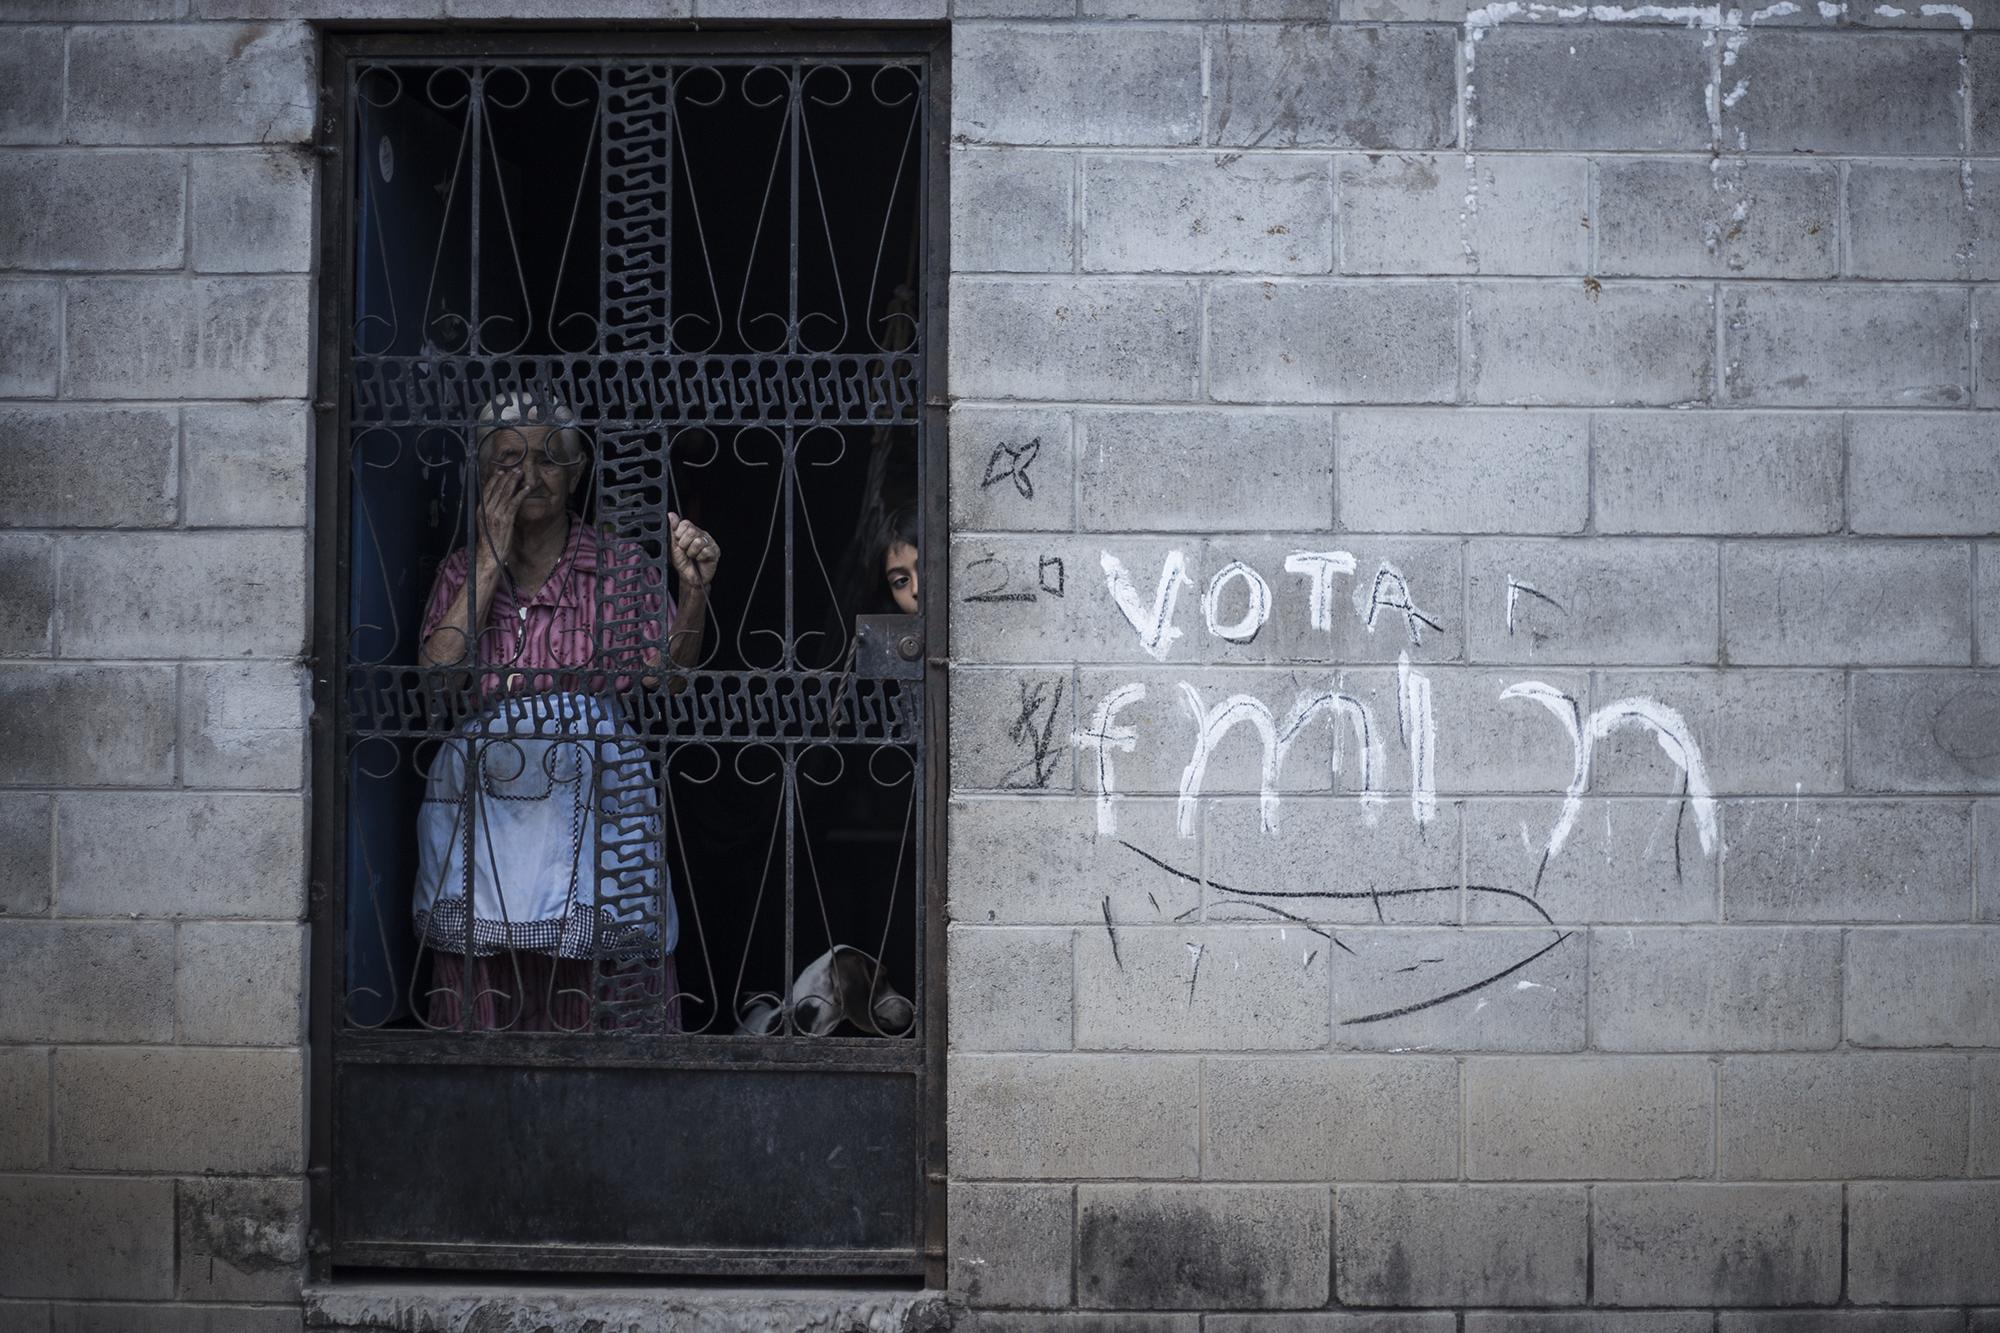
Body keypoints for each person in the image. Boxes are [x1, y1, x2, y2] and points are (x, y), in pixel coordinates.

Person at [410, 390, 720, 1032]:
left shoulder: (618, 569)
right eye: (508, 460)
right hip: (485, 812)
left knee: (598, 984)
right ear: (483, 474)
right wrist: (491, 556)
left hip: (593, 808)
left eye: (550, 458)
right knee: (486, 973)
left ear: (577, 474)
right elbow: (437, 677)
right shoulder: (461, 571)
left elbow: (666, 681)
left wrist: (693, 595)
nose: (529, 475)